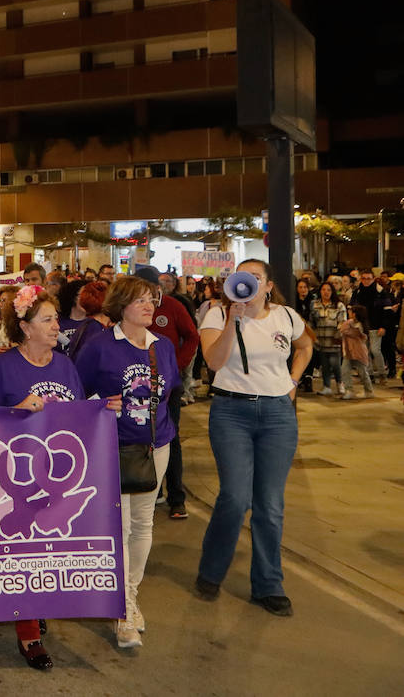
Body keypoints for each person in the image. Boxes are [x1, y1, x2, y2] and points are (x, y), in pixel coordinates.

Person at [195, 258, 311, 618]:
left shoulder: (286, 317)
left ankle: (268, 584)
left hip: (278, 415)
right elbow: (214, 362)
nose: (248, 283)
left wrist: (292, 382)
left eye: (256, 278)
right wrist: (234, 319)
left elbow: (307, 346)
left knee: (270, 505)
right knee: (234, 496)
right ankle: (211, 570)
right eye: (241, 276)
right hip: (232, 413)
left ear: (268, 286)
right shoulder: (217, 315)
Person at [0, 284, 85, 671]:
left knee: (49, 551)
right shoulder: (3, 367)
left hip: (59, 478)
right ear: (25, 327)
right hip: (17, 479)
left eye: (56, 318)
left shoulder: (65, 365)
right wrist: (18, 410)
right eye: (47, 319)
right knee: (25, 553)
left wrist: (101, 410)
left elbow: (78, 416)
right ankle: (29, 634)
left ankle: (36, 608)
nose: (57, 326)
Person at [74, 275, 180, 649]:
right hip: (111, 448)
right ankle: (122, 609)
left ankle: (129, 597)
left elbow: (169, 395)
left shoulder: (162, 346)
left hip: (156, 447)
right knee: (117, 527)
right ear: (121, 306)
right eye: (140, 301)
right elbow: (76, 394)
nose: (149, 306)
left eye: (152, 299)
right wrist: (97, 405)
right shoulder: (99, 347)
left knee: (143, 523)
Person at [134, 265, 198, 522]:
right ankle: (153, 489)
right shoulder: (129, 309)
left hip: (169, 387)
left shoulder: (173, 307)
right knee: (142, 438)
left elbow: (192, 337)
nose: (147, 298)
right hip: (138, 386)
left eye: (151, 290)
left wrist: (176, 367)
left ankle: (177, 498)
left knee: (170, 438)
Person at [310, 280, 347, 396]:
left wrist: (339, 333)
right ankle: (326, 386)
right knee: (324, 364)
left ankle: (340, 383)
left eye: (329, 290)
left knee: (335, 363)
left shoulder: (339, 305)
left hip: (334, 339)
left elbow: (342, 322)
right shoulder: (314, 304)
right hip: (320, 340)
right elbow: (312, 322)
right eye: (323, 290)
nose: (326, 292)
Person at [341, 304, 374, 399]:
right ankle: (349, 390)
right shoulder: (350, 322)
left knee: (363, 372)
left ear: (355, 314)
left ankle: (369, 390)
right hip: (348, 352)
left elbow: (347, 331)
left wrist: (345, 326)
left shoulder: (360, 326)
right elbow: (343, 330)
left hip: (358, 352)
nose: (349, 312)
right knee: (345, 370)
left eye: (351, 311)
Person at [291, 278, 317, 395]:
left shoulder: (313, 301)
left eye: (305, 287)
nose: (303, 290)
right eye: (300, 287)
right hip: (296, 332)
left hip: (309, 330)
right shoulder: (293, 301)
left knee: (310, 354)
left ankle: (308, 378)